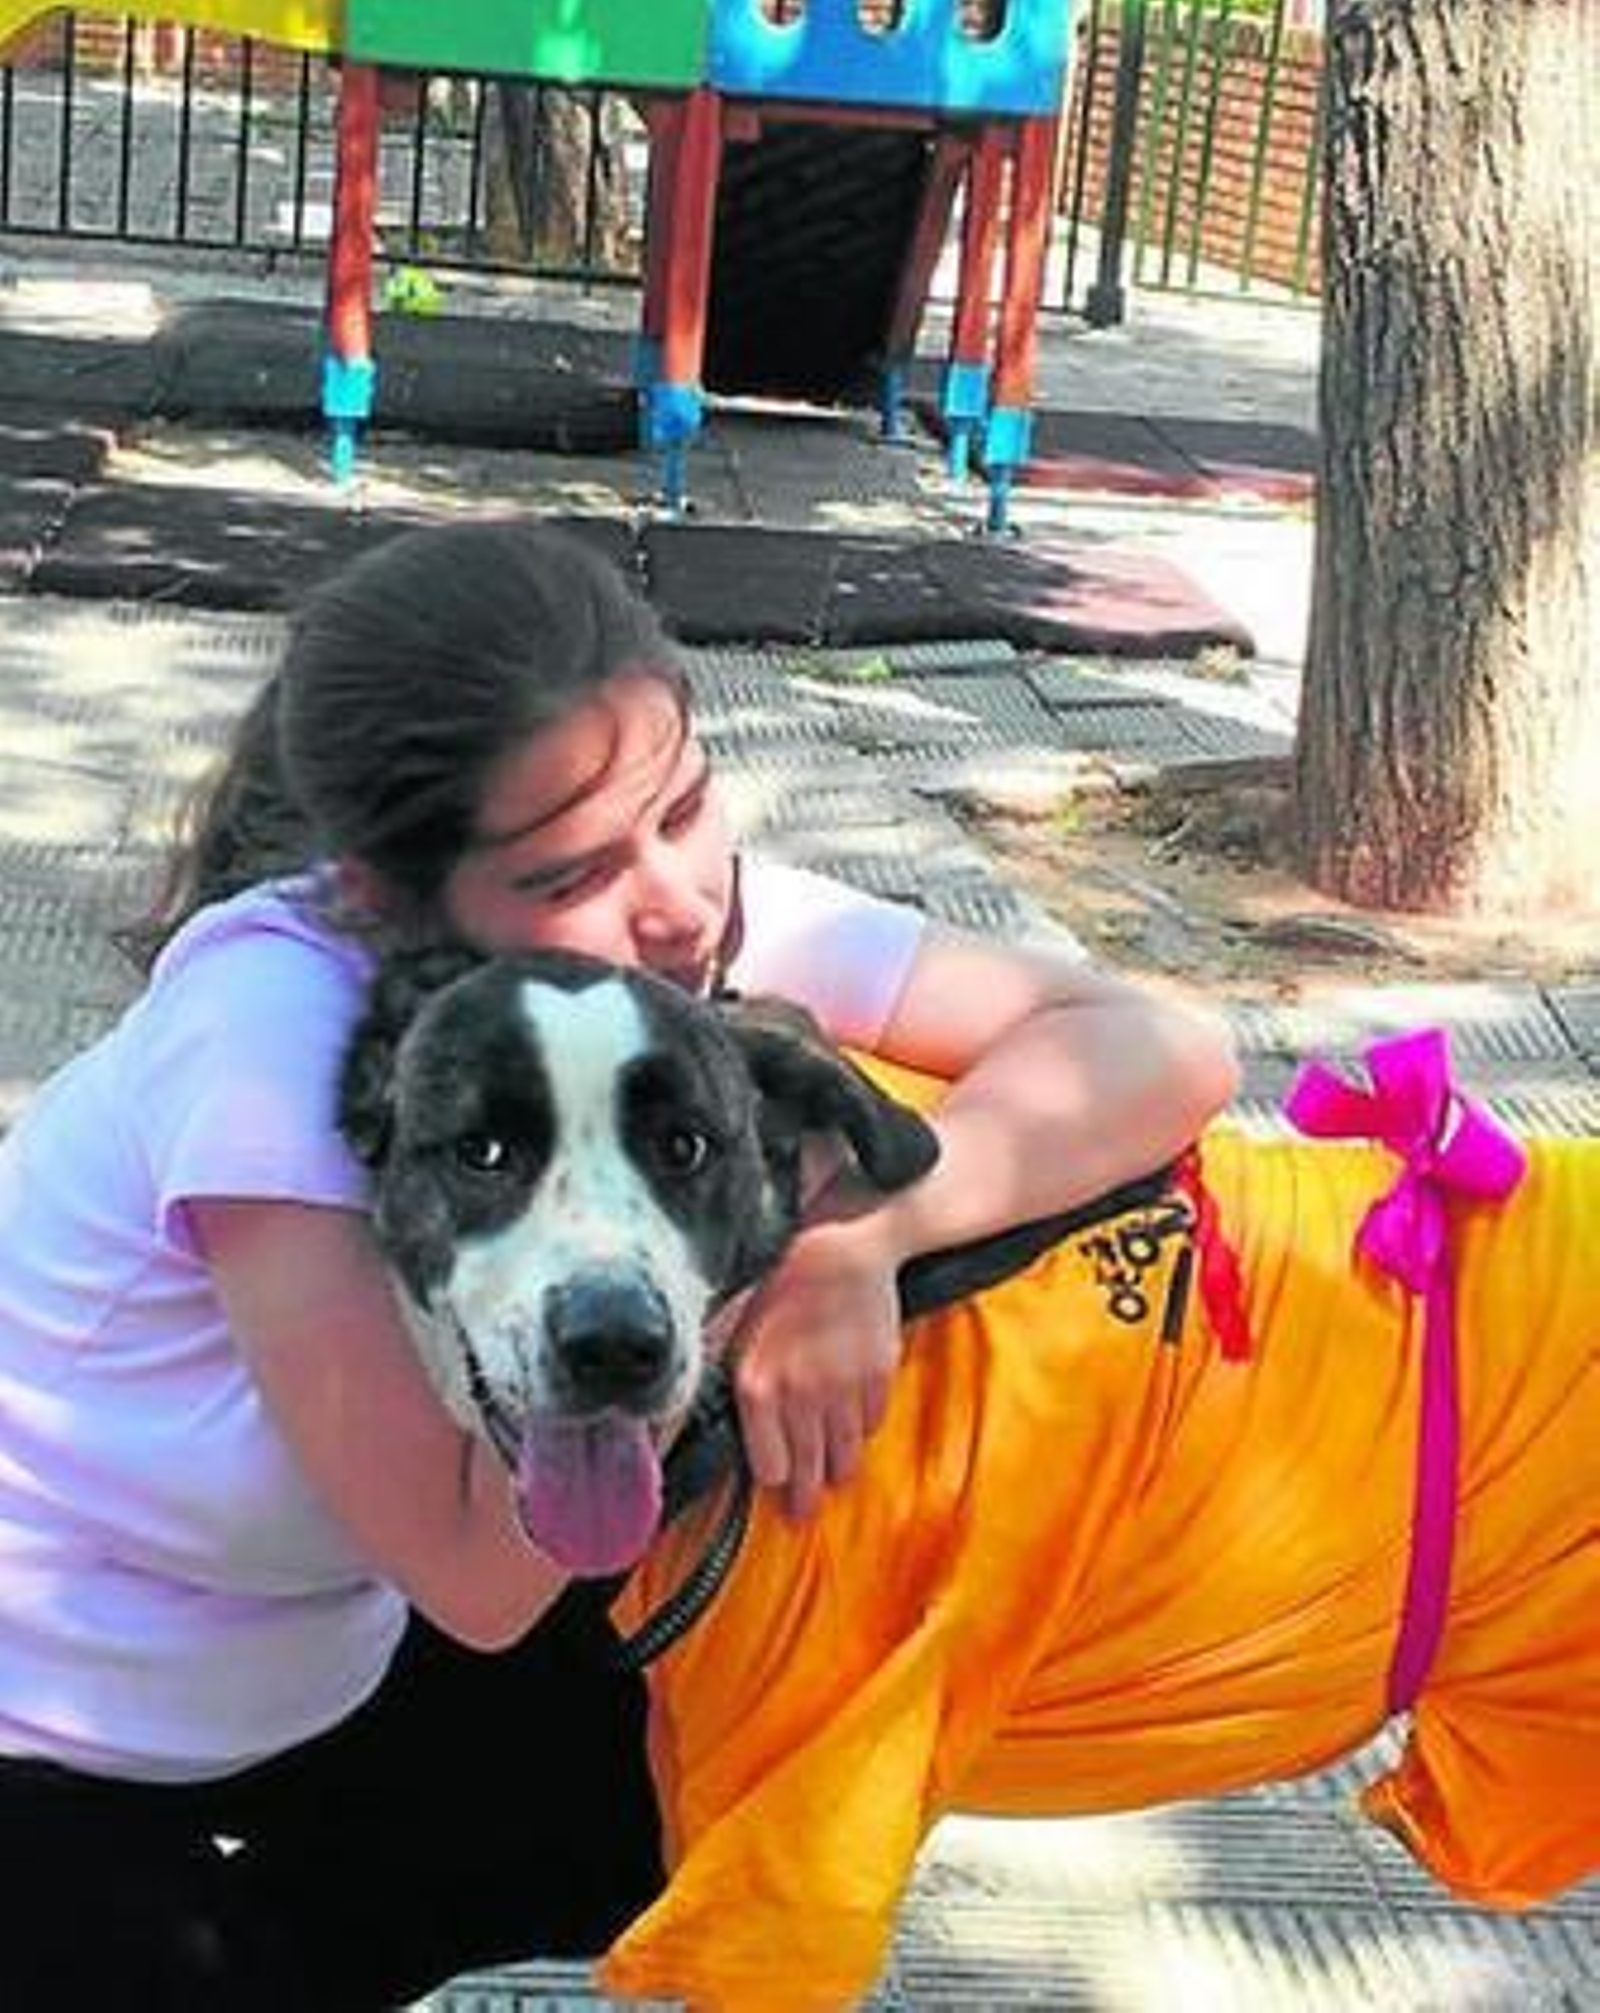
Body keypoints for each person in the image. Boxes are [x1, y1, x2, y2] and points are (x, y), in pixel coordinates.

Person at [0, 518, 1238, 2007]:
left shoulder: (645, 938)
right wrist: (731, 1259)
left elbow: (1156, 1045)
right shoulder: (274, 1046)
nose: (677, 899)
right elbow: (479, 1575)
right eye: (577, 867)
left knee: (682, 1757)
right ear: (386, 903)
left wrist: (875, 1232)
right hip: (47, 1719)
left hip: (286, 1654)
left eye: (689, 805)